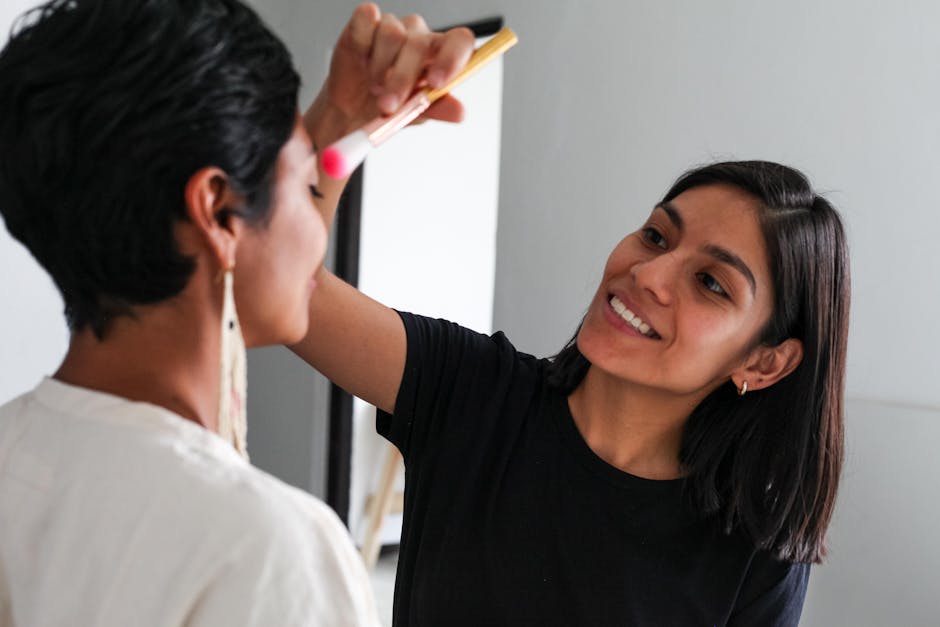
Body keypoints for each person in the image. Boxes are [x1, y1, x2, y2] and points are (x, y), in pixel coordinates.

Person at [291, 13, 851, 625]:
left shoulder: (755, 551)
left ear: (764, 361)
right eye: (657, 237)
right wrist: (337, 120)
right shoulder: (473, 391)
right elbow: (286, 288)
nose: (648, 275)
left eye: (711, 284)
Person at [0, 1, 471, 625]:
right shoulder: (267, 551)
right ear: (219, 212)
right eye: (308, 184)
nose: (318, 233)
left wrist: (332, 125)